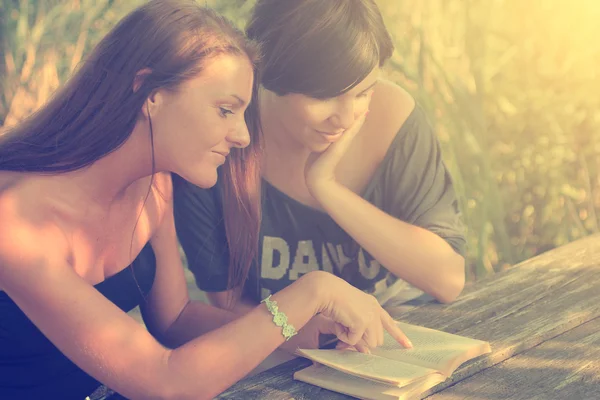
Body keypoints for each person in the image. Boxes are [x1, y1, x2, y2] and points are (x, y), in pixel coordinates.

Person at [0, 1, 411, 399]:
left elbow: (175, 319)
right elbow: (166, 383)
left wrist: (304, 331)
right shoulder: (15, 224)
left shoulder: (154, 185)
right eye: (225, 110)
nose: (243, 136)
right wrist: (311, 292)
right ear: (149, 92)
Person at [170, 0, 467, 353]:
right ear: (273, 75)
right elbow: (229, 303)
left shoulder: (392, 117)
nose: (344, 118)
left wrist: (327, 188)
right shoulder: (222, 143)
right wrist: (307, 335)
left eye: (362, 92)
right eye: (325, 96)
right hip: (287, 354)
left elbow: (448, 280)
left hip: (403, 340)